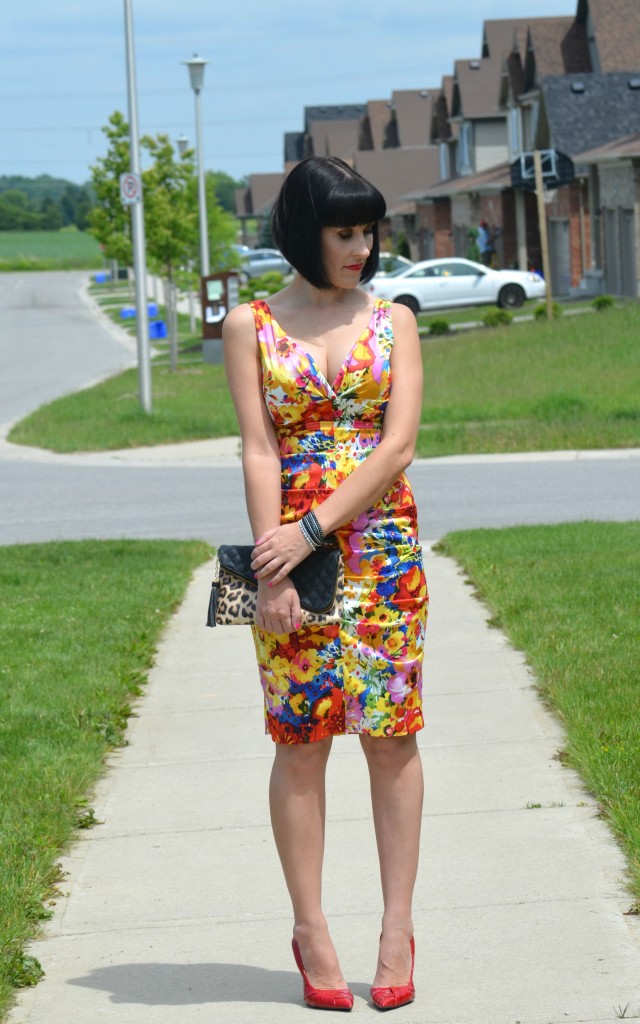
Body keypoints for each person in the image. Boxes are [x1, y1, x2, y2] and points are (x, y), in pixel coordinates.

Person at [222, 156, 428, 1013]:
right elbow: (260, 447)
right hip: (288, 559)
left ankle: (396, 928)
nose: (362, 247)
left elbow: (396, 448)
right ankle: (311, 929)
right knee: (300, 738)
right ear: (305, 231)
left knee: (391, 732)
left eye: (368, 231)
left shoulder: (396, 321)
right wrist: (278, 560)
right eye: (345, 231)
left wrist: (313, 527)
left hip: (382, 548)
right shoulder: (251, 324)